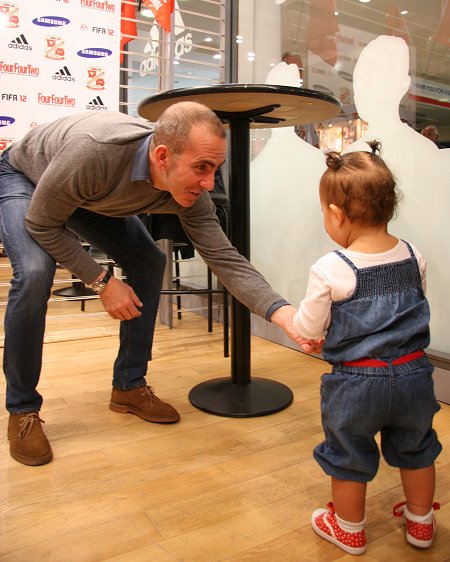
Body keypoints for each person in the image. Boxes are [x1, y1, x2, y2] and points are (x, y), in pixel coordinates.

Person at [0, 102, 302, 466]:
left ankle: (128, 386)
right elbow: (42, 224)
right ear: (162, 156)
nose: (209, 184)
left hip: (85, 193)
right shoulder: (96, 151)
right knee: (34, 272)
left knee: (148, 260)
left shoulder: (188, 192)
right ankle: (22, 409)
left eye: (215, 169)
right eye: (201, 168)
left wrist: (281, 311)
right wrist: (101, 281)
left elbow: (224, 257)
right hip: (25, 175)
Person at [292, 141, 441, 555]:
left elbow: (308, 325)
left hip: (357, 383)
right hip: (415, 375)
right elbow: (415, 306)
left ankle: (349, 529)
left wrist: (310, 334)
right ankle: (421, 523)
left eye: (325, 212)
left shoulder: (331, 268)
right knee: (417, 448)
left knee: (348, 454)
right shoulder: (414, 256)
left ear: (337, 214)